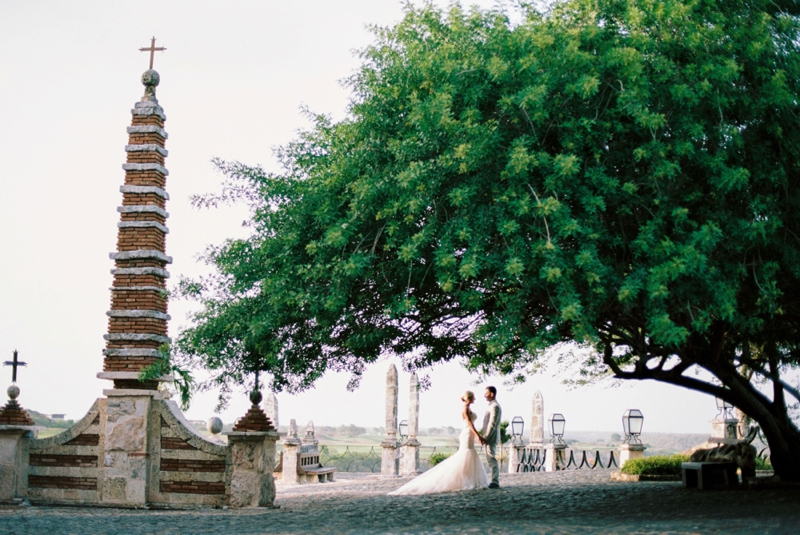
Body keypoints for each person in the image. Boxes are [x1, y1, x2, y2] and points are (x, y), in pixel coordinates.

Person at [389, 390, 489, 495]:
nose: (475, 399)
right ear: (469, 398)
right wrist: (478, 435)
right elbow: (469, 423)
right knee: (466, 454)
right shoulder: (464, 408)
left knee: (469, 455)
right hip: (467, 434)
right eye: (473, 397)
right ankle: (461, 480)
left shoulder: (469, 408)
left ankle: (469, 479)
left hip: (470, 433)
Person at [479, 386, 502, 489]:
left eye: (486, 393)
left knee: (491, 459)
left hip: (491, 438)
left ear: (492, 394)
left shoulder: (495, 406)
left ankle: (495, 481)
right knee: (490, 459)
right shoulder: (491, 406)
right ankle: (494, 480)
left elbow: (492, 424)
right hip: (488, 437)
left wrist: (486, 437)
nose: (484, 395)